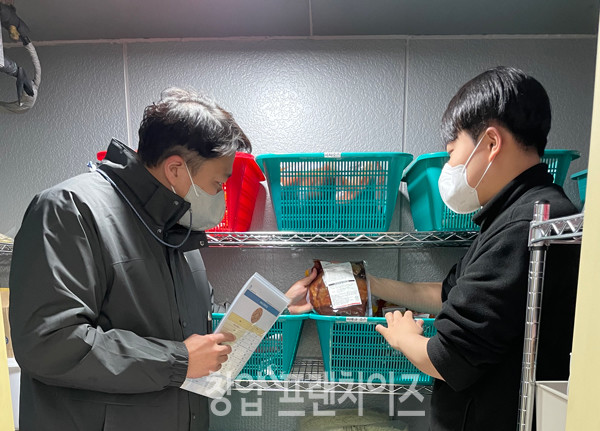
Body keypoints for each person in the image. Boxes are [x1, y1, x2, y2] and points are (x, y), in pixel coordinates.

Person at [10, 87, 257, 431]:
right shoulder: (71, 209)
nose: (221, 197)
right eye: (218, 183)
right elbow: (48, 343)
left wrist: (278, 306)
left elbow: (187, 329)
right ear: (176, 170)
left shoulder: (176, 227)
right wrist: (178, 361)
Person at [370, 66, 581, 430]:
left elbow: (447, 357)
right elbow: (449, 294)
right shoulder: (508, 217)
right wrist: (368, 283)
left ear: (491, 143)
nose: (448, 168)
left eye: (452, 153)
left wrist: (405, 338)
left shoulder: (527, 225)